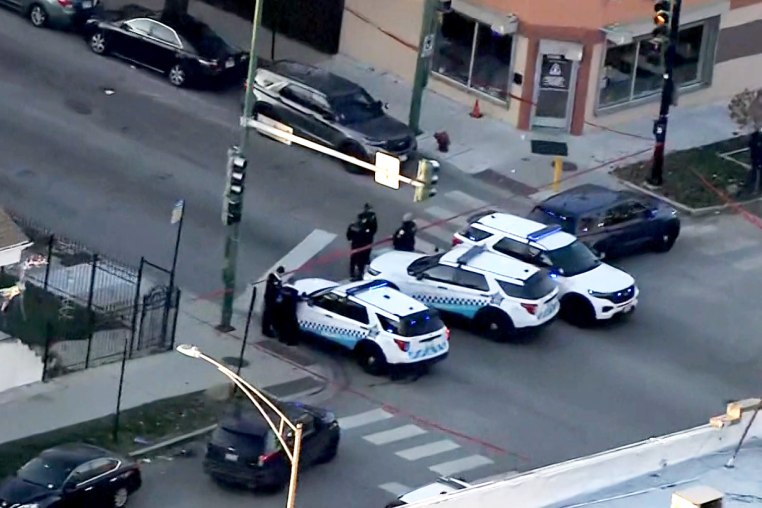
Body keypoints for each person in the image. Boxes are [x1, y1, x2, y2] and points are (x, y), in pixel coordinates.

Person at [261, 266, 285, 338]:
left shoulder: (276, 279)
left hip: (272, 300)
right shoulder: (273, 278)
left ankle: (267, 329)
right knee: (268, 315)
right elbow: (273, 289)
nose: (282, 275)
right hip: (270, 299)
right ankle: (266, 330)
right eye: (282, 273)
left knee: (270, 315)